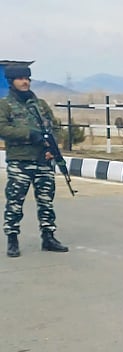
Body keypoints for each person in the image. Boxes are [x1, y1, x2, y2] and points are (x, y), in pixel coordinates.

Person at [0, 65, 68, 257]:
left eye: (27, 78)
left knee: (46, 201)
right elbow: (3, 129)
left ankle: (48, 237)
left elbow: (55, 128)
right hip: (20, 161)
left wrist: (52, 149)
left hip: (43, 161)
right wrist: (30, 135)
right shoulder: (5, 105)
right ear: (11, 82)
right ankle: (12, 238)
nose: (25, 82)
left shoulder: (40, 105)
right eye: (20, 78)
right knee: (15, 202)